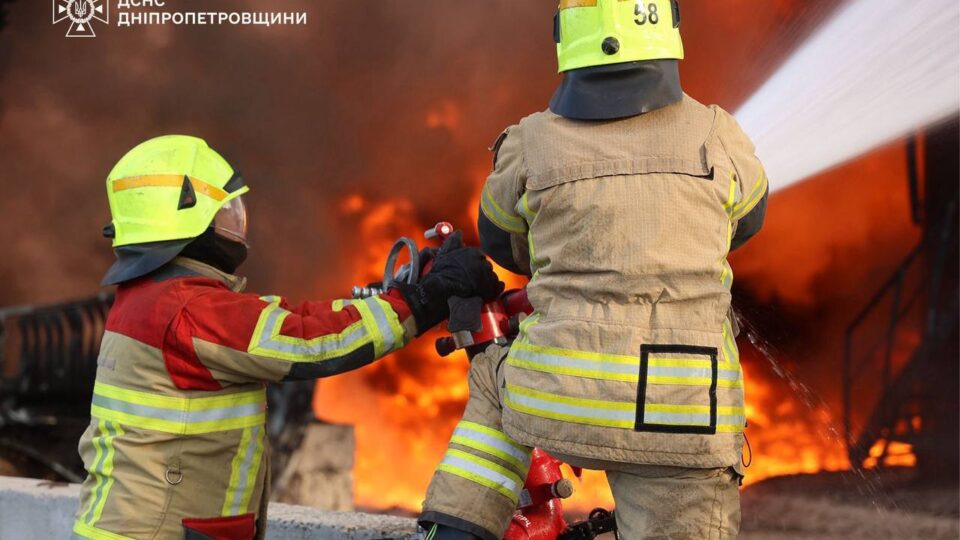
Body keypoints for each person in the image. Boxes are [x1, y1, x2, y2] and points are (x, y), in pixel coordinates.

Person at [419, 1, 768, 538]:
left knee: (493, 375)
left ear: (566, 41)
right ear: (667, 30)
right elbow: (743, 227)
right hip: (682, 413)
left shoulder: (530, 140)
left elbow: (506, 245)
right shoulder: (718, 134)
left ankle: (458, 527)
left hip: (554, 396)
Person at [72, 135, 503, 540]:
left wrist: (400, 293)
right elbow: (309, 341)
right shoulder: (187, 310)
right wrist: (421, 300)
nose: (236, 224)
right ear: (188, 218)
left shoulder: (156, 298)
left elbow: (291, 320)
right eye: (225, 212)